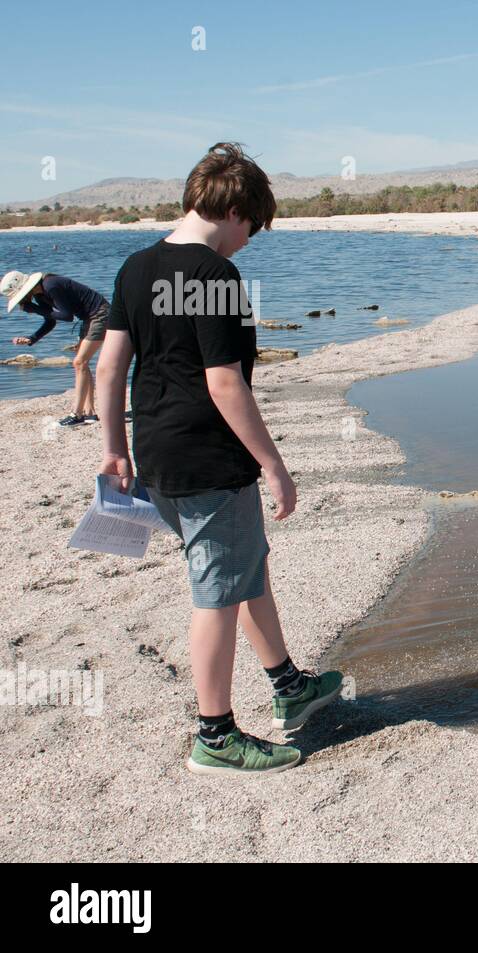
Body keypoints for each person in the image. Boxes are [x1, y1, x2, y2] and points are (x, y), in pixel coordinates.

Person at [96, 142, 342, 776]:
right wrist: (275, 466)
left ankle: (290, 687)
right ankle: (215, 735)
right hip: (208, 459)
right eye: (251, 229)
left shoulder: (135, 266)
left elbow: (110, 366)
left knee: (242, 567)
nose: (246, 243)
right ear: (236, 209)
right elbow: (224, 383)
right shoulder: (213, 277)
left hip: (155, 454)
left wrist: (113, 450)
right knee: (216, 595)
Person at [2, 270, 110, 425]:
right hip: (88, 317)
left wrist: (34, 308)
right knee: (81, 364)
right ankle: (90, 413)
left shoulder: (50, 285)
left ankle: (77, 415)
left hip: (100, 314)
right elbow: (50, 321)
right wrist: (32, 338)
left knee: (80, 363)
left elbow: (67, 316)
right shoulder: (40, 294)